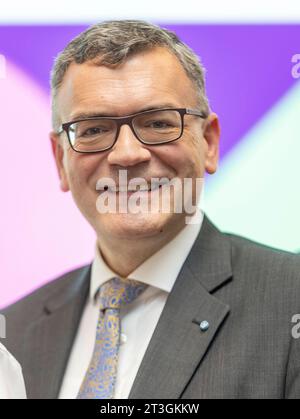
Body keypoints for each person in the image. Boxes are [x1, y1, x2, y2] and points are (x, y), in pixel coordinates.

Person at [1, 20, 300, 399]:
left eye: (158, 123)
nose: (127, 154)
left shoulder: (290, 301)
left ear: (208, 143)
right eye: (93, 129)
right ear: (60, 159)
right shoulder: (12, 332)